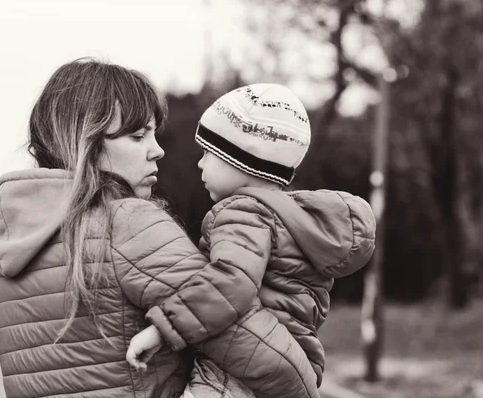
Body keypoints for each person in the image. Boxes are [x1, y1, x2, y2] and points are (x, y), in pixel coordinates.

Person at [0, 59, 315, 398]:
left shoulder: (2, 253)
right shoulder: (127, 225)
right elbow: (265, 355)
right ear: (85, 141)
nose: (158, 150)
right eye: (138, 136)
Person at [126, 84, 377, 398]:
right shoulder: (292, 220)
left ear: (240, 160)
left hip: (235, 370)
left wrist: (161, 330)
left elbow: (230, 283)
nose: (200, 164)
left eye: (208, 153)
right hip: (285, 359)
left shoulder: (243, 213)